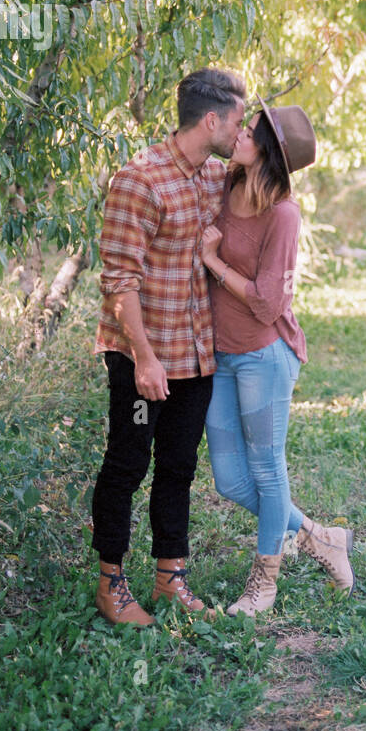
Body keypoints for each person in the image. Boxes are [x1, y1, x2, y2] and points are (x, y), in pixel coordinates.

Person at [90, 67, 247, 626]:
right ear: (212, 119)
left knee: (178, 467)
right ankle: (111, 583)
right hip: (143, 357)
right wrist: (144, 358)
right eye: (237, 120)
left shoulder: (212, 176)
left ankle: (169, 579)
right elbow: (119, 281)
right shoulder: (140, 180)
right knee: (128, 465)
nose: (241, 130)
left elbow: (270, 169)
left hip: (196, 354)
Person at [201, 96, 355, 615]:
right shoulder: (225, 184)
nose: (239, 132)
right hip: (222, 355)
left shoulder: (283, 216)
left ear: (266, 150)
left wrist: (212, 262)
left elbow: (269, 303)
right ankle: (318, 536)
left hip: (265, 357)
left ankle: (264, 584)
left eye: (251, 130)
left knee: (267, 471)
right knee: (230, 479)